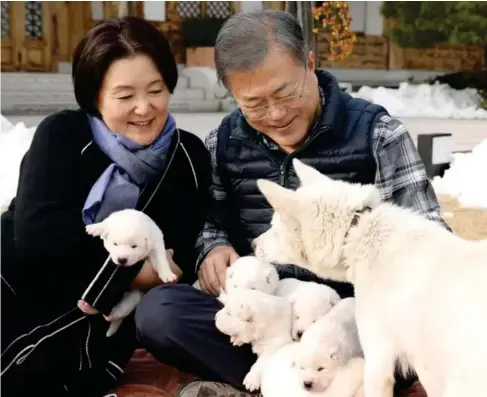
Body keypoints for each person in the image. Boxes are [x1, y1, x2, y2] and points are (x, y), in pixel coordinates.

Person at [135, 9, 445, 397]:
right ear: (233, 94)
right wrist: (212, 248)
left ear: (310, 64)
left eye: (285, 94)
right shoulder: (223, 143)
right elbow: (208, 221)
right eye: (255, 104)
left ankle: (279, 384)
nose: (277, 115)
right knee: (160, 313)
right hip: (264, 315)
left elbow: (429, 240)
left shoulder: (376, 134)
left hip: (352, 323)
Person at [0, 16, 211, 397]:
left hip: (99, 317)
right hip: (16, 277)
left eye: (156, 90)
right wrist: (133, 274)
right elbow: (36, 237)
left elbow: (179, 248)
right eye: (125, 96)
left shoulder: (189, 157)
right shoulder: (63, 134)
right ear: (95, 96)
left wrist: (144, 276)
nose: (144, 108)